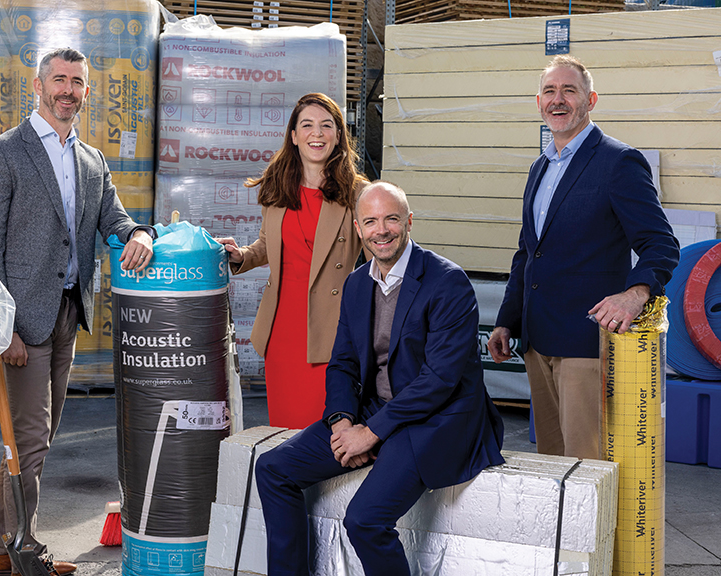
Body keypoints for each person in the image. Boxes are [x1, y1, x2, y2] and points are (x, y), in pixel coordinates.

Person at [255, 181, 505, 576]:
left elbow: (439, 379)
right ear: (358, 229)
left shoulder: (447, 282)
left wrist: (370, 433)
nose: (381, 230)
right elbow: (342, 363)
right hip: (375, 411)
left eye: (391, 219)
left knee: (364, 521)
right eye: (370, 222)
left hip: (434, 419)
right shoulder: (356, 284)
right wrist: (342, 423)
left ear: (409, 222)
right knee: (273, 469)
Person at [0, 48, 157, 576]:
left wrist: (141, 234)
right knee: (30, 439)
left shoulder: (91, 160)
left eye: (77, 82)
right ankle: (22, 550)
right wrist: (2, 327)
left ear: (86, 92)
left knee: (35, 437)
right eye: (59, 79)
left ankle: (3, 546)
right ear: (38, 85)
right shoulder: (1, 154)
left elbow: (115, 219)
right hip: (21, 322)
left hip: (66, 313)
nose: (68, 90)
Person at [487, 55, 679, 460]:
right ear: (538, 102)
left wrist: (634, 294)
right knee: (551, 461)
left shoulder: (618, 162)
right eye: (549, 91)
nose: (558, 100)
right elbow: (528, 252)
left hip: (585, 343)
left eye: (569, 90)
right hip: (538, 342)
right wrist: (507, 320)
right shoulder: (540, 168)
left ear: (590, 100)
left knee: (585, 465)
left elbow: (660, 243)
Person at [216, 93, 367, 429]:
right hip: (282, 329)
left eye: (326, 125)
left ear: (338, 135)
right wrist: (243, 255)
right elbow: (269, 244)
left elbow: (378, 264)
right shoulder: (278, 185)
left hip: (331, 329)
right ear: (294, 136)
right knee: (284, 432)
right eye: (307, 125)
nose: (317, 133)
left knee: (324, 431)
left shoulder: (358, 193)